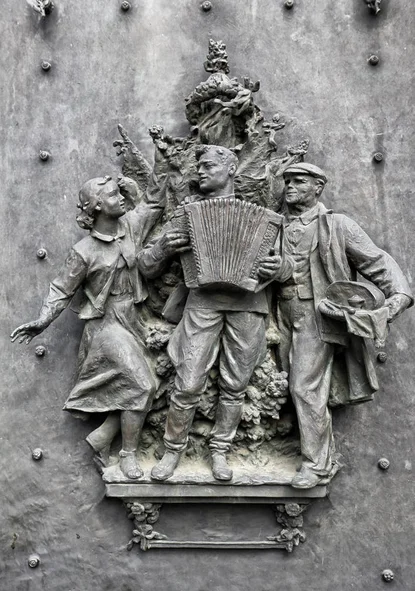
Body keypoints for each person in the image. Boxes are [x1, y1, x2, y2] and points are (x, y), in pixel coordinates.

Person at [138, 144, 293, 481]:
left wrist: (278, 266)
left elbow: (286, 266)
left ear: (231, 169)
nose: (200, 172)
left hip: (249, 306)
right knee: (188, 381)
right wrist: (163, 248)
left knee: (235, 384)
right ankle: (171, 450)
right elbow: (147, 265)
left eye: (208, 166)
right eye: (199, 167)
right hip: (202, 304)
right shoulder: (185, 214)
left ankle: (220, 450)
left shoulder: (262, 217)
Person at [11, 174, 165, 480]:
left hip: (135, 320)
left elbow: (155, 202)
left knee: (157, 382)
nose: (119, 197)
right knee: (143, 385)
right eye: (111, 195)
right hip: (106, 326)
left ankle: (102, 438)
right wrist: (43, 320)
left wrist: (137, 187)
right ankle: (128, 455)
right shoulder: (84, 251)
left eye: (118, 192)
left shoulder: (131, 227)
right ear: (96, 208)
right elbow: (60, 290)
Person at [275, 163, 412, 489]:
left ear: (317, 187)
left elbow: (377, 262)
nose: (290, 186)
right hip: (277, 316)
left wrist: (399, 296)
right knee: (277, 384)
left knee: (304, 387)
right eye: (287, 181)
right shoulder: (276, 225)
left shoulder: (337, 226)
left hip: (318, 317)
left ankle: (316, 464)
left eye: (299, 181)